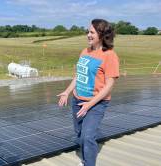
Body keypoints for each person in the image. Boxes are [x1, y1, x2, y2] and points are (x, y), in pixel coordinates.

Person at [57, 19, 119, 166]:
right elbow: (79, 75)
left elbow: (109, 85)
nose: (88, 35)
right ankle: (85, 159)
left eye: (92, 32)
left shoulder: (109, 55)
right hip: (77, 100)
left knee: (87, 136)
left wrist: (89, 104)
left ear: (102, 34)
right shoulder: (85, 51)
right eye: (88, 32)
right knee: (79, 134)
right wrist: (67, 92)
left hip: (96, 104)